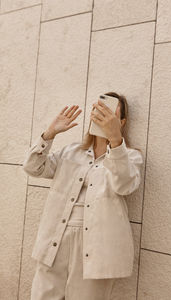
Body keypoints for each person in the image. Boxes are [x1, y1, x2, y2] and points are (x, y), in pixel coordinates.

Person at [22, 92, 143, 300]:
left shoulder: (131, 157)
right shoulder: (71, 152)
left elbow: (124, 185)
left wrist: (115, 140)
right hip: (55, 241)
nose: (102, 114)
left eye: (110, 111)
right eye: (98, 109)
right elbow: (33, 168)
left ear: (121, 122)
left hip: (97, 249)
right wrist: (49, 134)